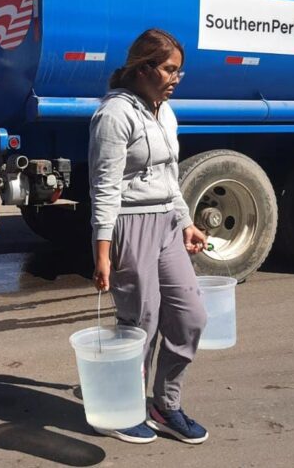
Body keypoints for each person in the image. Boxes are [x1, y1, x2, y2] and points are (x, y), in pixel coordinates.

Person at [89, 28, 209, 445]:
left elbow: (169, 177)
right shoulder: (114, 115)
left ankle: (165, 403)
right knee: (140, 322)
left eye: (180, 71)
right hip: (129, 223)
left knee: (190, 315)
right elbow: (104, 187)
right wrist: (102, 251)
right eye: (170, 69)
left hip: (167, 225)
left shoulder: (166, 111)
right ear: (143, 68)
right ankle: (123, 408)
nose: (177, 78)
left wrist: (186, 220)